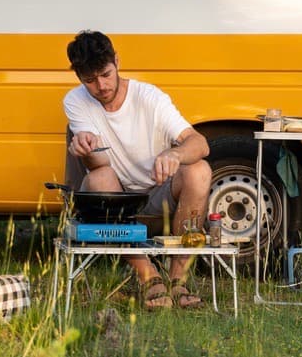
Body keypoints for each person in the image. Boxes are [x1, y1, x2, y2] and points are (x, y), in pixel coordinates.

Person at [62, 30, 212, 310]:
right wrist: (85, 151)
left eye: (106, 74)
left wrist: (175, 153)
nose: (101, 86)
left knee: (199, 170)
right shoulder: (75, 100)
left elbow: (200, 144)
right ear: (80, 79)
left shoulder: (149, 97)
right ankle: (149, 278)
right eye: (90, 81)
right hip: (115, 205)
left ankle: (178, 280)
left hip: (158, 199)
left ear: (117, 61)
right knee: (100, 176)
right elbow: (100, 168)